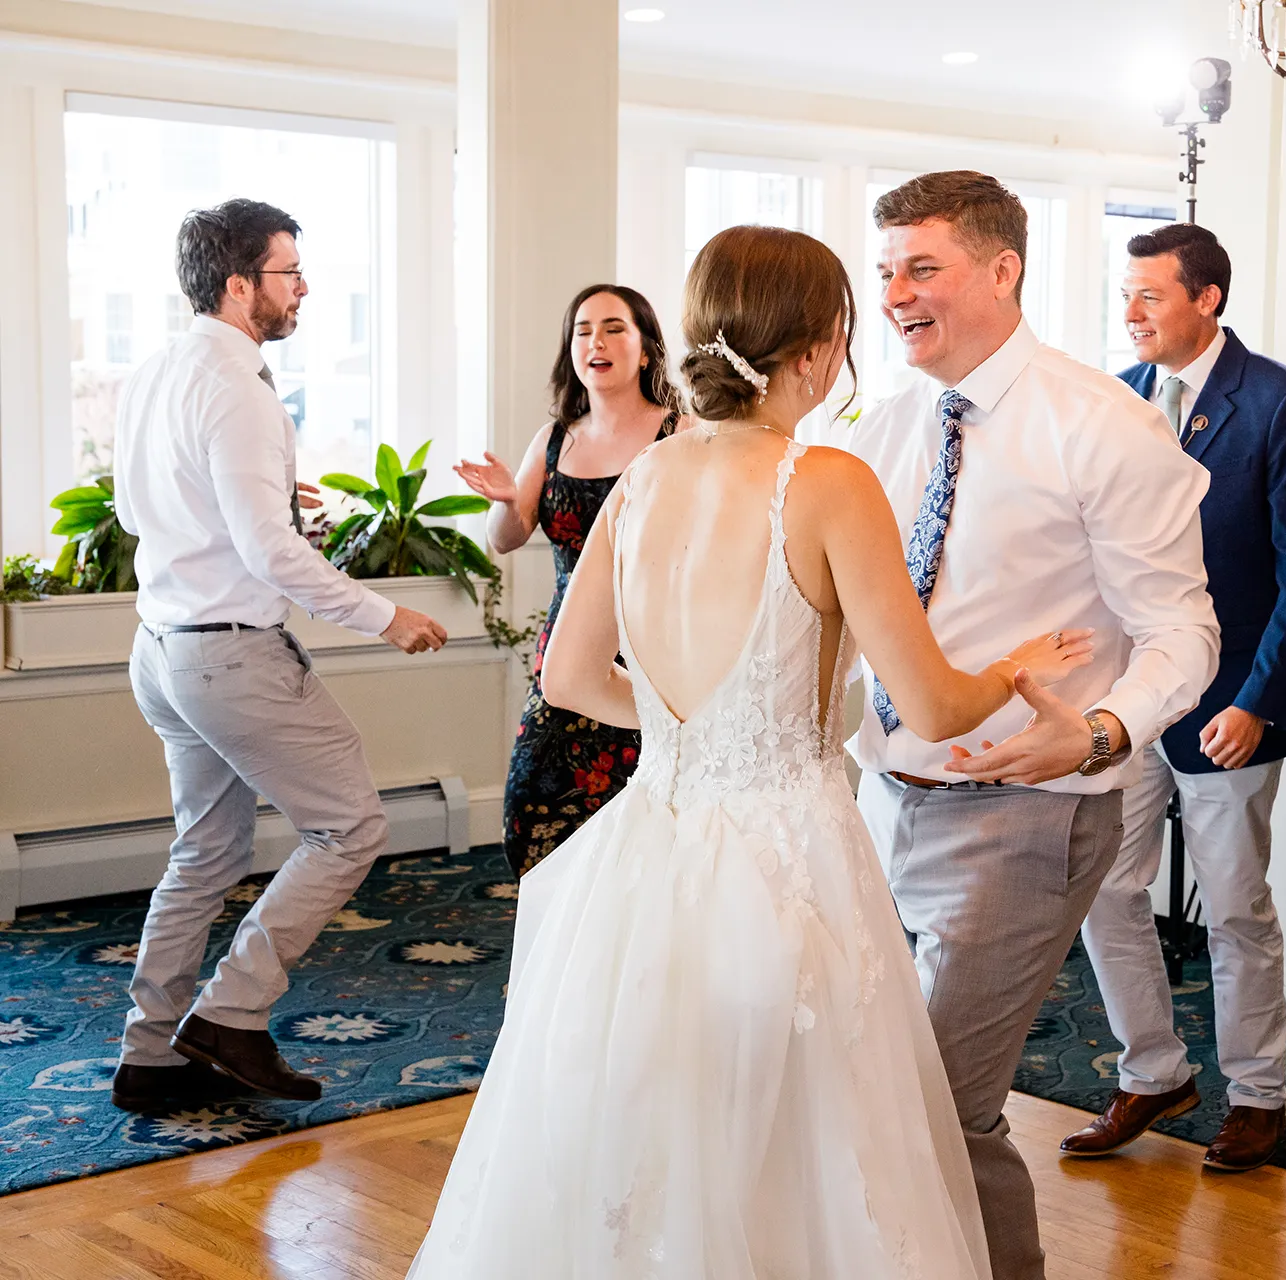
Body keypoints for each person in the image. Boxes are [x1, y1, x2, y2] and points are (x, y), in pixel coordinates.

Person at [407, 224, 1096, 1278]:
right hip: (788, 860)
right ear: (819, 348)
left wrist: (703, 724)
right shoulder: (826, 481)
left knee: (659, 1146)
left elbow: (569, 677)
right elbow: (933, 702)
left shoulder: (642, 480)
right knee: (806, 1149)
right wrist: (1018, 663)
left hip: (648, 851)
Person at [842, 171, 1220, 1280]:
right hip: (879, 800)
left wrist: (1100, 730)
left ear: (1003, 270)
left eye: (922, 267)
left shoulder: (1103, 423)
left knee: (941, 1104)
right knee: (882, 1092)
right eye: (885, 272)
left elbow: (1183, 630)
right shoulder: (881, 429)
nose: (896, 294)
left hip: (1028, 809)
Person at [112, 198, 447, 1112]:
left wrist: (250, 498)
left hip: (162, 651)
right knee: (352, 826)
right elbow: (269, 555)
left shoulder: (153, 373)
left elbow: (140, 512)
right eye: (289, 273)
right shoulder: (239, 388)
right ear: (237, 284)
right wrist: (386, 616)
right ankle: (232, 1015)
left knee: (206, 850)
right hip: (231, 657)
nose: (302, 289)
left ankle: (150, 1056)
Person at [1064, 223, 1286, 1173]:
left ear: (1207, 298)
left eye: (1149, 295)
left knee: (1233, 908)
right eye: (1125, 294)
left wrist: (1259, 700)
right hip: (1131, 701)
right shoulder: (1119, 401)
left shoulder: (1281, 405)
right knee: (1105, 885)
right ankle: (1152, 1071)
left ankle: (1258, 1098)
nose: (1130, 311)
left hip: (1232, 706)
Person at [453, 283, 679, 878]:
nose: (595, 342)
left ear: (646, 349)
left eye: (612, 328)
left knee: (646, 813)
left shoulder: (680, 435)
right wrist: (507, 499)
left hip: (654, 652)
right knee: (532, 805)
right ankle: (561, 950)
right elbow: (504, 538)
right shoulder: (554, 439)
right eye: (582, 330)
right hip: (569, 647)